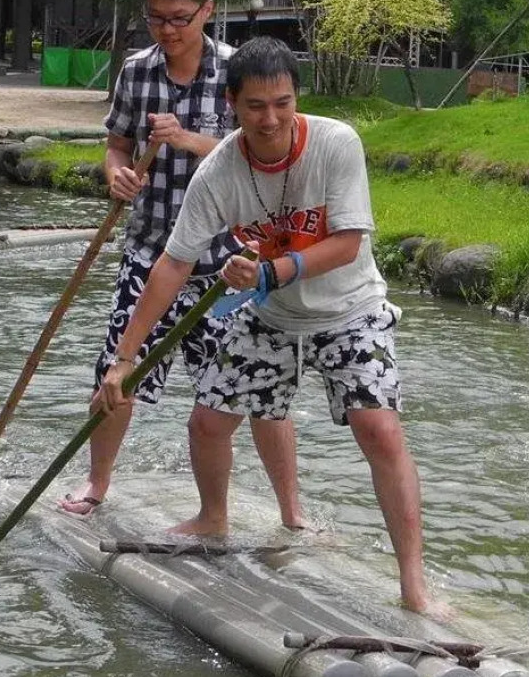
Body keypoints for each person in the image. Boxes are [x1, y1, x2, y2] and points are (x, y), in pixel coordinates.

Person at [98, 36, 434, 613]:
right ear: (232, 104)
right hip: (270, 313)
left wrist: (274, 269)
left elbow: (350, 243)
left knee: (378, 429)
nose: (271, 118)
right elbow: (173, 265)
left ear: (295, 98)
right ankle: (212, 518)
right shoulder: (219, 170)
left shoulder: (335, 142)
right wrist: (124, 360)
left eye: (282, 102)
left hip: (350, 307)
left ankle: (414, 586)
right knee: (207, 422)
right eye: (256, 106)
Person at [61, 0, 303, 530]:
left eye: (180, 18)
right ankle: (98, 482)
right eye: (157, 19)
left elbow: (264, 146)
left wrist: (190, 140)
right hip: (151, 245)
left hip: (231, 260)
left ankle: (291, 510)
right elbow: (118, 141)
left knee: (258, 381)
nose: (168, 31)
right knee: (118, 369)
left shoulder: (238, 73)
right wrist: (115, 172)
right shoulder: (136, 72)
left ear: (207, 11)